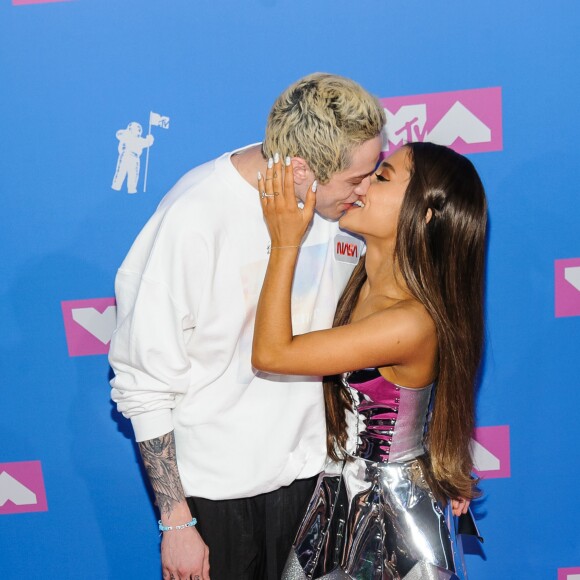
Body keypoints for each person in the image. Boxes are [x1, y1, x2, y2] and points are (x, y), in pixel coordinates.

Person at [108, 73, 386, 580]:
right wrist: (177, 524)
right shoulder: (193, 219)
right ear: (301, 169)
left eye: (375, 172)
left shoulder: (342, 214)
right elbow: (143, 382)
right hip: (218, 500)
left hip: (316, 484)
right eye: (356, 179)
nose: (367, 192)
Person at [252, 141, 487, 579]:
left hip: (391, 519)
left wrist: (285, 242)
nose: (361, 184)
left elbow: (271, 354)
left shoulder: (411, 322)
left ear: (427, 213)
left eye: (381, 177)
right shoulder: (358, 277)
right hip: (341, 495)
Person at [111, 121, 154, 194]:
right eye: (137, 128)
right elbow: (118, 134)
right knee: (121, 171)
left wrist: (150, 139)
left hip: (135, 157)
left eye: (139, 129)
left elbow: (147, 143)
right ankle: (116, 186)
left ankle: (132, 189)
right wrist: (127, 132)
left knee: (133, 174)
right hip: (125, 155)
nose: (139, 130)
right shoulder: (126, 135)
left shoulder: (140, 140)